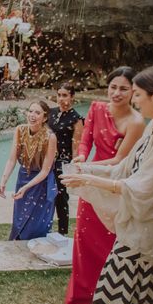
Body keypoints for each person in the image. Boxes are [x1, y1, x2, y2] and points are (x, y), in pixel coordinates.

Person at [61, 65, 153, 304]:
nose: (134, 100)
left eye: (138, 94)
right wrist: (84, 169)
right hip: (138, 224)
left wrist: (87, 179)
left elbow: (142, 186)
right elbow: (124, 168)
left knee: (144, 303)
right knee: (115, 291)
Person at [63, 66, 145, 304]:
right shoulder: (97, 108)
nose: (116, 93)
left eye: (123, 88)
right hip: (91, 182)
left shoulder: (137, 121)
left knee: (111, 240)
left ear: (133, 91)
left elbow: (120, 160)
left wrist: (86, 169)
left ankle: (108, 293)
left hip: (113, 182)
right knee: (84, 238)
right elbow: (85, 139)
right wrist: (80, 157)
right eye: (113, 87)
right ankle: (82, 297)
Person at [0, 101, 58, 240]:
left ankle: (36, 248)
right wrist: (3, 180)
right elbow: (12, 159)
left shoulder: (50, 137)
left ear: (45, 117)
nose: (32, 115)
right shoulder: (20, 130)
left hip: (41, 184)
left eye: (37, 113)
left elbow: (45, 171)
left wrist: (26, 187)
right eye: (30, 111)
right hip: (23, 177)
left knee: (36, 223)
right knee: (20, 219)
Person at [47, 83, 83, 235]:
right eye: (59, 95)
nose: (61, 99)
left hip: (62, 161)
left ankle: (62, 231)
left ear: (72, 97)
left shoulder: (76, 119)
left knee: (61, 197)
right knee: (44, 194)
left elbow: (76, 146)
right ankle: (43, 227)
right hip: (47, 159)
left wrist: (74, 167)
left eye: (65, 95)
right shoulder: (50, 112)